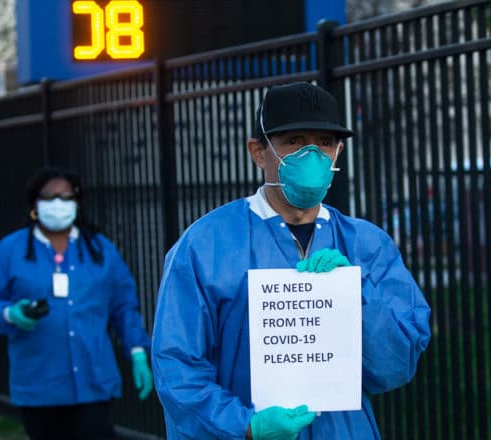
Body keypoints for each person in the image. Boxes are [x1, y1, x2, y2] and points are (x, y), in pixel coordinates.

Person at [151, 82, 431, 439]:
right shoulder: (205, 246)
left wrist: (358, 293)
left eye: (325, 144)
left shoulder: (367, 244)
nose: (312, 156)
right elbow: (177, 365)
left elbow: (395, 365)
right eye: (295, 142)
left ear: (339, 152)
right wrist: (245, 426)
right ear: (258, 152)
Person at [0, 166, 154, 440]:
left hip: (93, 380)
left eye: (66, 197)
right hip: (40, 384)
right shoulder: (11, 250)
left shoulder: (100, 249)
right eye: (50, 196)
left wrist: (138, 352)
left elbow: (124, 305)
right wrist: (10, 313)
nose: (58, 204)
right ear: (35, 203)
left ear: (77, 203)